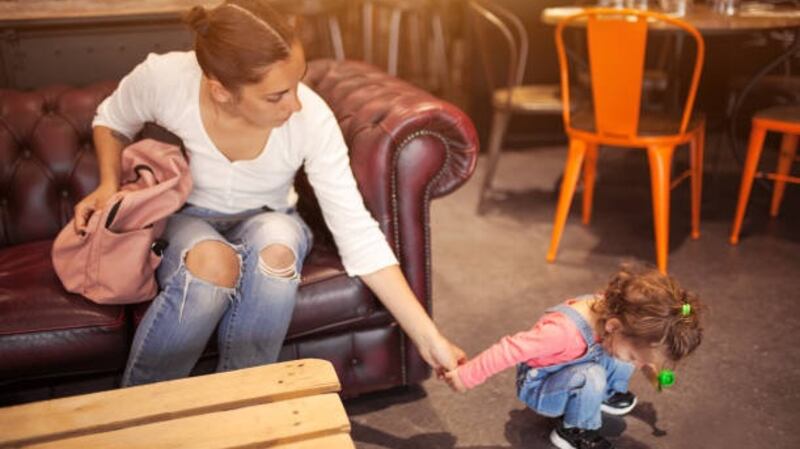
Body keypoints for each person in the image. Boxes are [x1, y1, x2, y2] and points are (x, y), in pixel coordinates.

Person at [74, 0, 465, 387]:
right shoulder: (164, 79)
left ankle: (243, 402)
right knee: (212, 264)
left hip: (271, 215)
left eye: (298, 83)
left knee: (276, 253)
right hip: (188, 217)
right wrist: (108, 184)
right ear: (221, 92)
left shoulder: (311, 117)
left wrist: (430, 338)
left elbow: (357, 233)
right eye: (277, 96)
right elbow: (111, 120)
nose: (295, 105)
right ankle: (142, 413)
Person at [444, 265, 704, 449]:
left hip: (574, 369)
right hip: (541, 389)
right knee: (594, 373)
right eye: (638, 358)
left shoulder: (622, 316)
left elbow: (637, 352)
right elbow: (509, 349)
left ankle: (607, 393)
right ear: (612, 326)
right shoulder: (560, 333)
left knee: (616, 356)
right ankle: (575, 430)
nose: (639, 366)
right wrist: (466, 376)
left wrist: (656, 372)